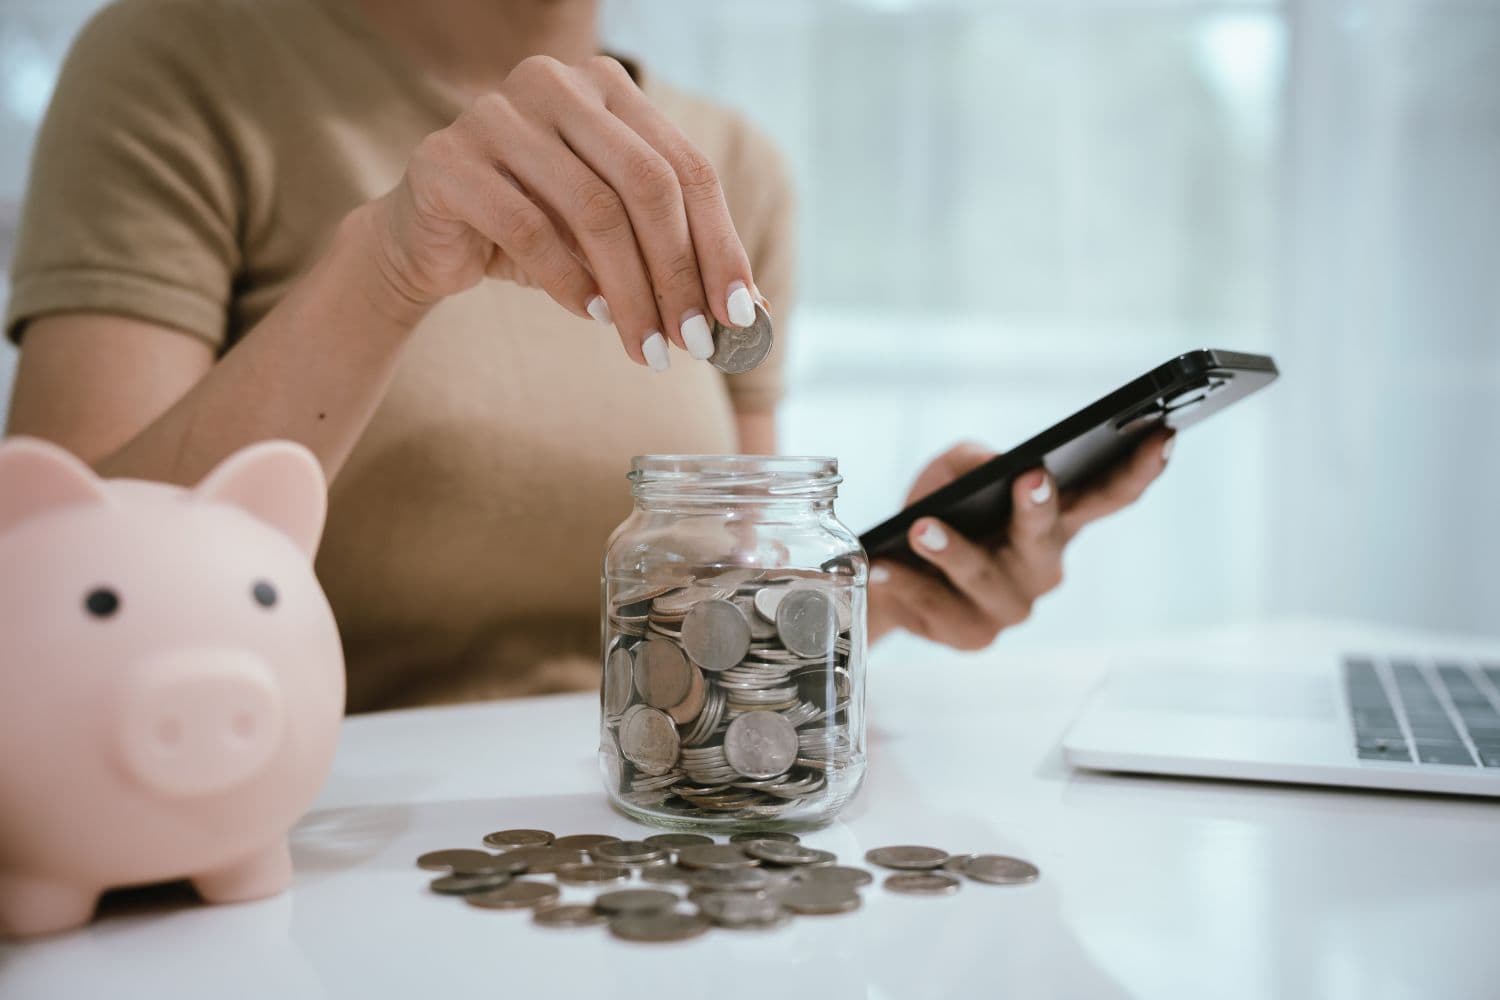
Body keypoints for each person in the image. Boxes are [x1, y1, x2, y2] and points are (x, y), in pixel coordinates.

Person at [3, 0, 1170, 711]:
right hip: (286, 832)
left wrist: (884, 594)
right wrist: (387, 266)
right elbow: (45, 587)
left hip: (628, 830)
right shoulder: (182, 62)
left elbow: (722, 614)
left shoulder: (726, 169)